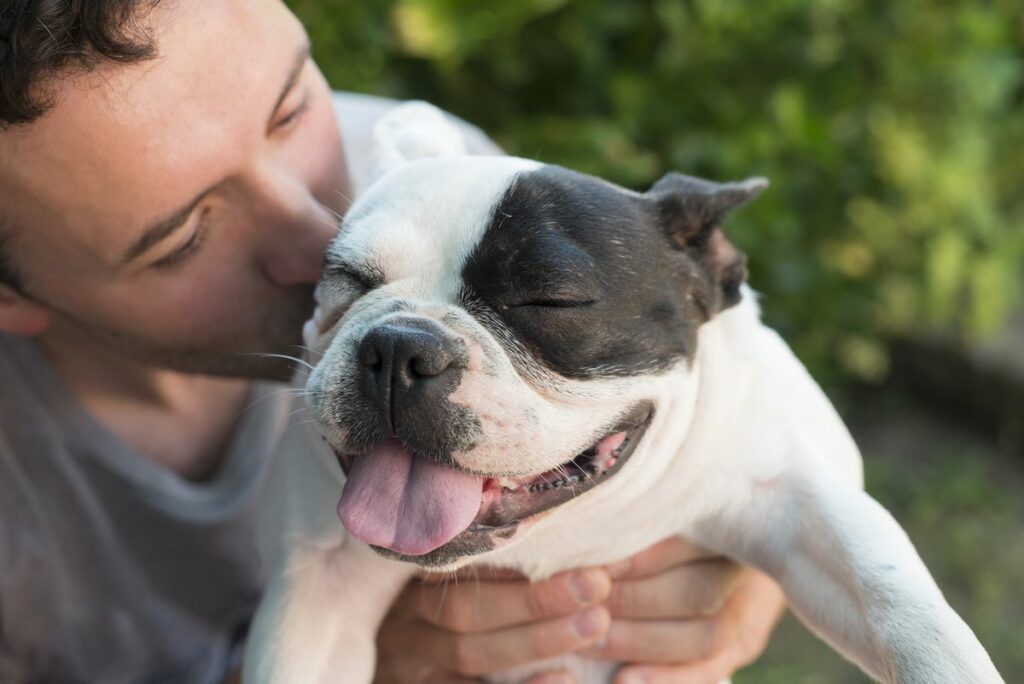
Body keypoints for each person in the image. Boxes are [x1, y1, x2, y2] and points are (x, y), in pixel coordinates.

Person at [0, 1, 785, 682]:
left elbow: (740, 415)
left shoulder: (443, 179)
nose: (322, 237)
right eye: (182, 239)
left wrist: (755, 568)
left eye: (292, 110)